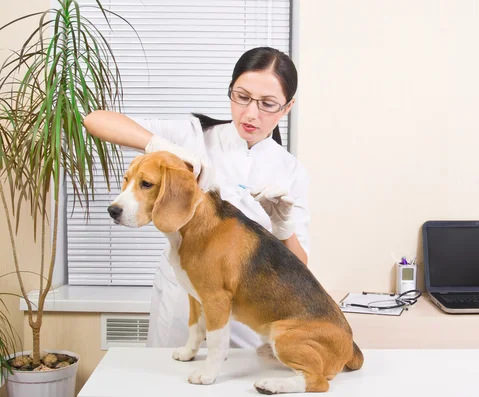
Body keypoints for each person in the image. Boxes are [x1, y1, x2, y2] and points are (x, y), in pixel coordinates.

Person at [83, 47, 310, 349]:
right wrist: (159, 144)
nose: (251, 113)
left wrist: (283, 227)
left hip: (247, 313)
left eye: (268, 104)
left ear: (288, 106)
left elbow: (300, 269)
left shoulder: (290, 170)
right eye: (242, 97)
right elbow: (95, 120)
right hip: (182, 303)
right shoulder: (193, 134)